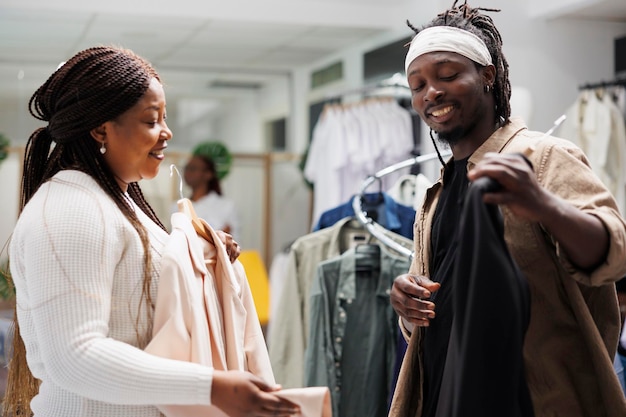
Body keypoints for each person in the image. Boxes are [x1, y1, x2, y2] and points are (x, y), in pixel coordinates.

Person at [5, 45, 299, 417]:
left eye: (165, 118)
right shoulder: (72, 209)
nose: (167, 132)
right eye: (151, 120)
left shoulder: (113, 201)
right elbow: (74, 357)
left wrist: (201, 252)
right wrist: (210, 387)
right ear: (100, 128)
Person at [389, 2, 626, 417]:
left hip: (540, 401)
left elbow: (615, 254)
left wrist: (543, 204)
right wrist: (407, 307)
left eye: (447, 75)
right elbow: (439, 311)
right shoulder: (436, 194)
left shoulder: (543, 157)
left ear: (487, 74)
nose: (432, 92)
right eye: (418, 84)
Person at [177, 152, 240, 239]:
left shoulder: (226, 206)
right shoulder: (178, 206)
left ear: (208, 174)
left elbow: (229, 243)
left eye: (193, 169)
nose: (187, 172)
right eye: (186, 168)